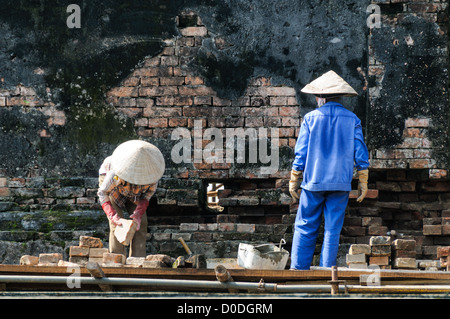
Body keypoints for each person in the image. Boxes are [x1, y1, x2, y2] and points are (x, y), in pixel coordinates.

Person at [289, 70, 370, 270]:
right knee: (332, 230)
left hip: (313, 182)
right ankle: (327, 274)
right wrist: (363, 181)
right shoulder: (352, 119)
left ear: (320, 97)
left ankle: (298, 271)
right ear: (340, 96)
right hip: (340, 184)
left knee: (305, 227)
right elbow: (361, 153)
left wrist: (294, 178)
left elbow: (301, 153)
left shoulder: (310, 119)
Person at [97, 140, 165, 257]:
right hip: (114, 189)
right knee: (117, 225)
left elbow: (146, 196)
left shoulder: (153, 176)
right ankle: (116, 260)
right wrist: (113, 215)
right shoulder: (114, 173)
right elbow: (103, 193)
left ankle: (137, 261)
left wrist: (138, 214)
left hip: (136, 195)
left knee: (141, 224)